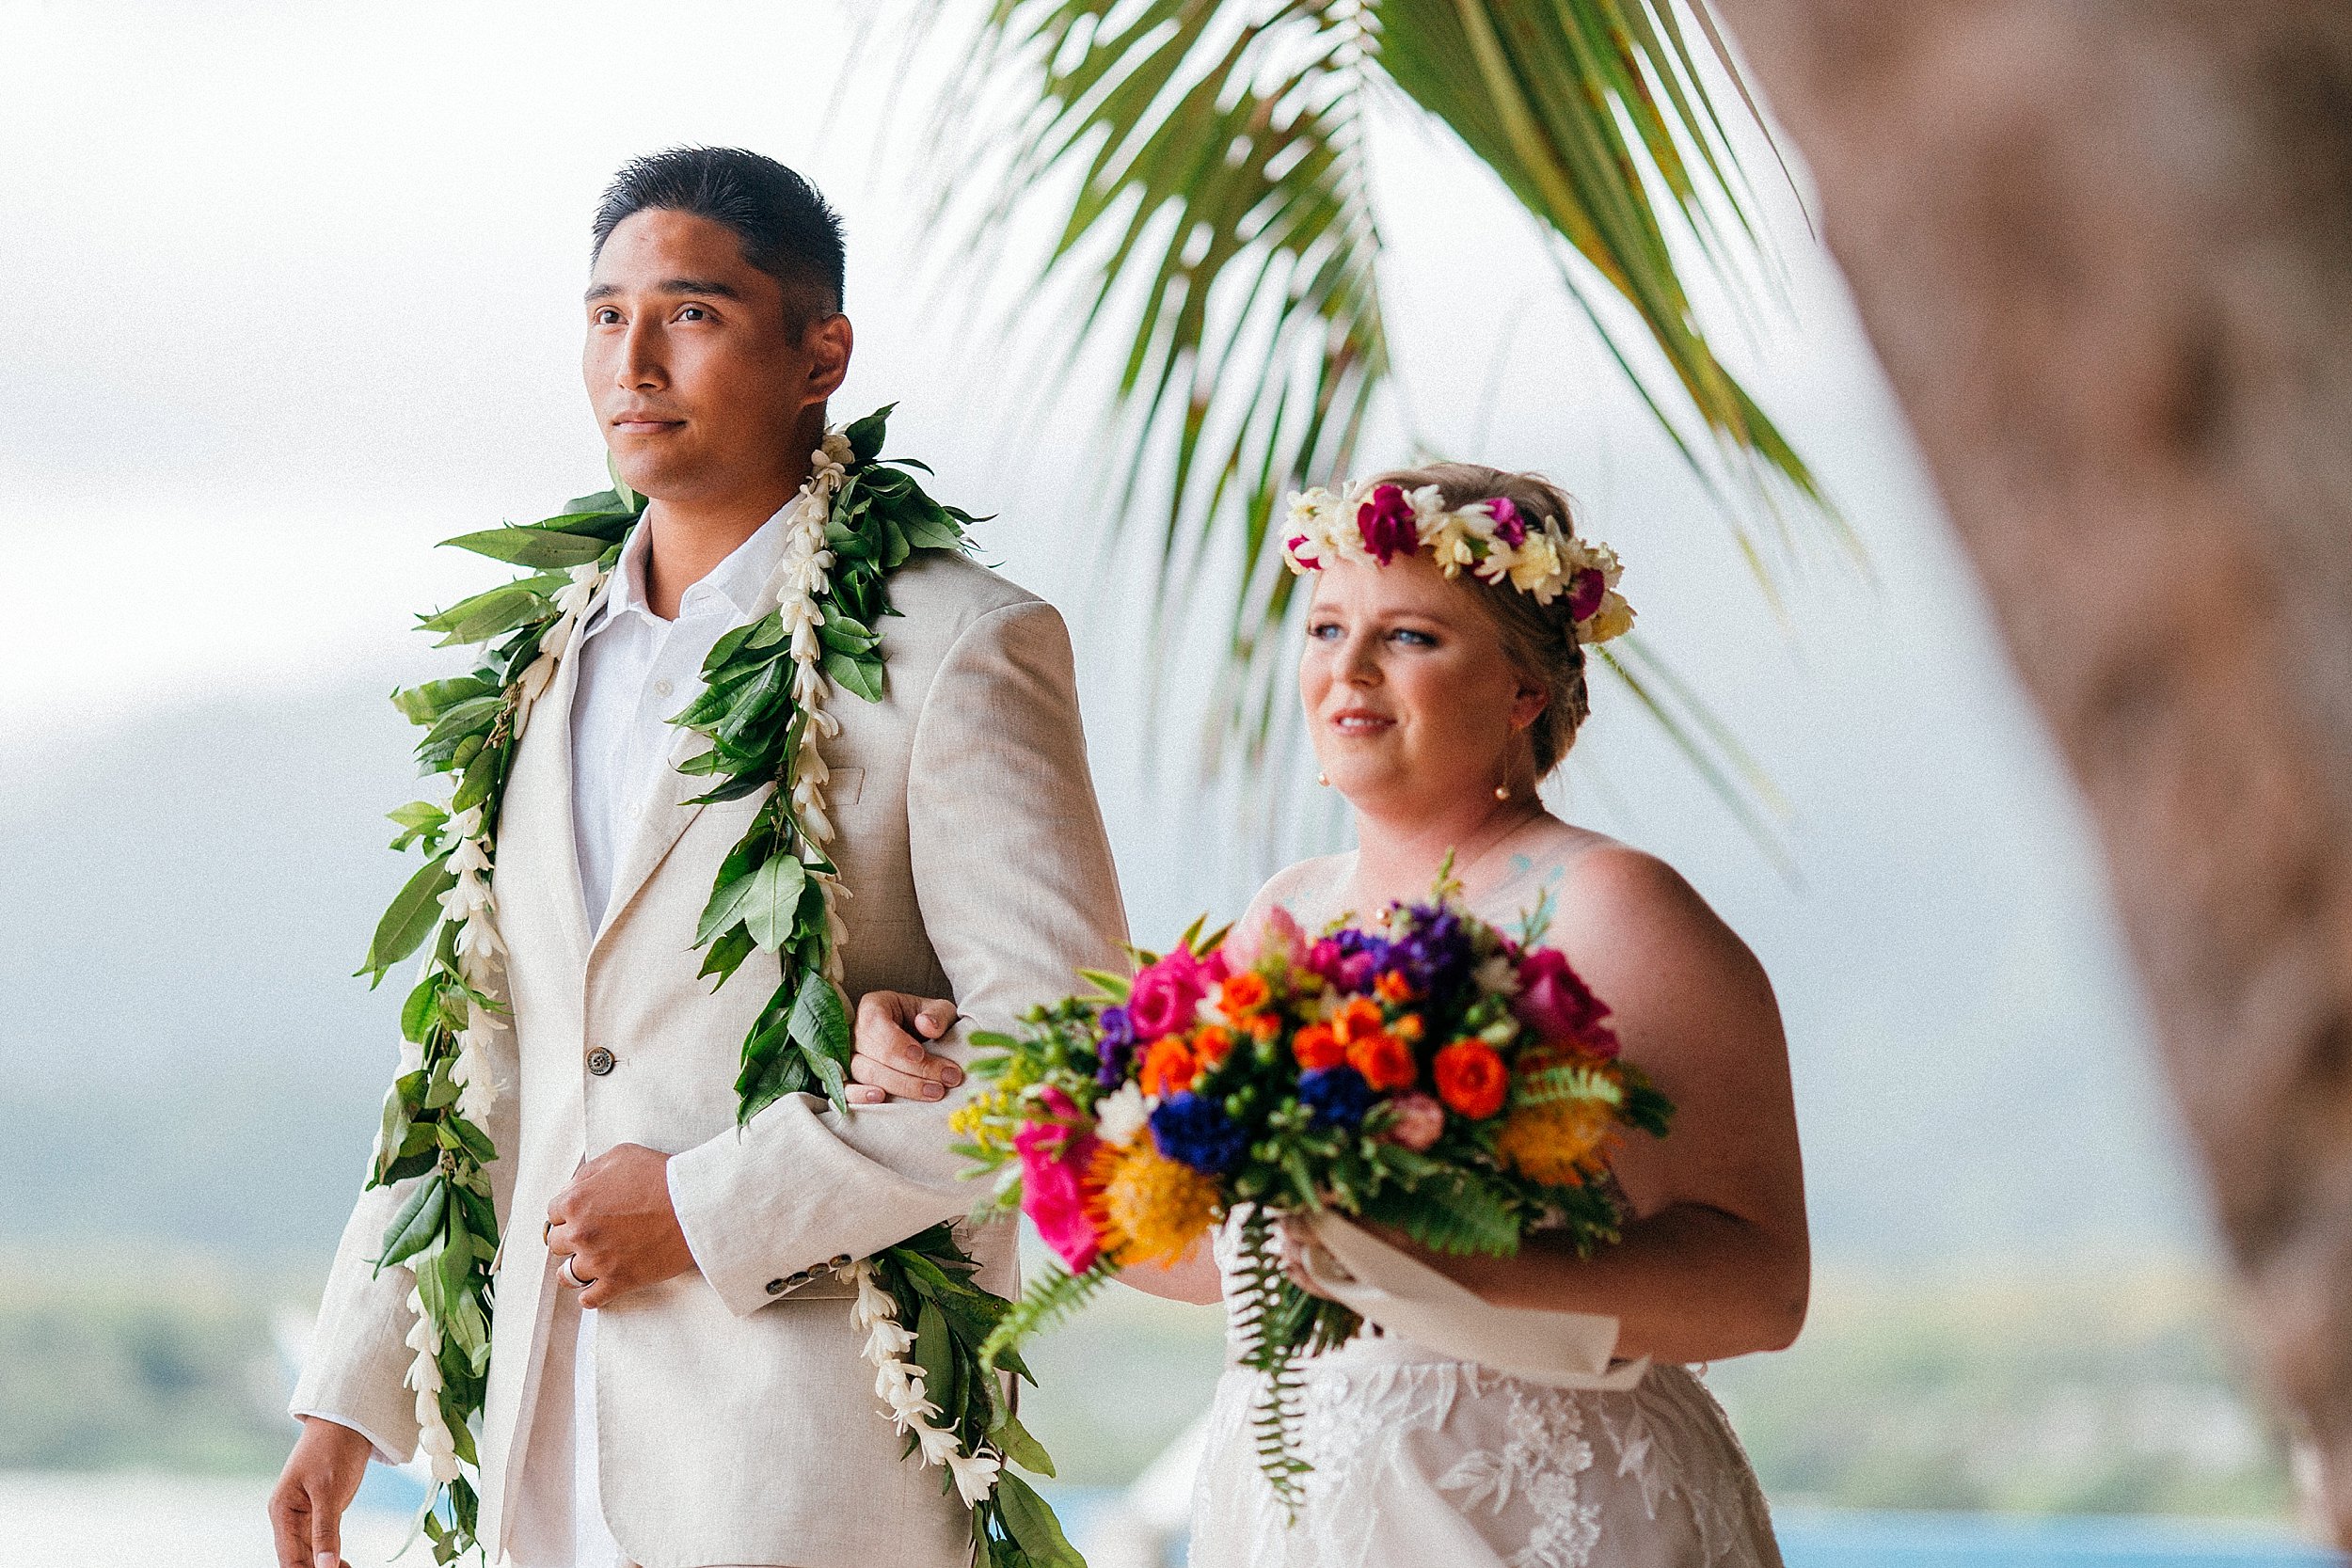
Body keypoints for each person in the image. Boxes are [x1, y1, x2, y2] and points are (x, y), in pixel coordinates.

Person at [268, 147, 1127, 1568]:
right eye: (605, 316)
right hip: (541, 1440)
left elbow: (1068, 1056)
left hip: (804, 1449)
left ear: (820, 353)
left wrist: (703, 1205)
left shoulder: (960, 646)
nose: (635, 359)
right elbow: (484, 1044)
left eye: (694, 314)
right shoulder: (543, 666)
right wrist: (349, 1392)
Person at [850, 464, 1808, 1566]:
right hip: (1309, 1505)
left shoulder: (1611, 905)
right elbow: (1219, 1259)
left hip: (1539, 1508)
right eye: (1325, 627)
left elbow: (1761, 1288)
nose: (1346, 669)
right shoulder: (1286, 914)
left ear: (1523, 690)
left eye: (1408, 636)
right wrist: (986, 1089)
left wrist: (1450, 1270)